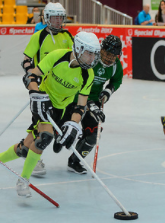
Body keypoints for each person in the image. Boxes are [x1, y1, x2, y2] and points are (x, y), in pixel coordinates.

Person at [0, 31, 100, 197]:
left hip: (62, 110)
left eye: (94, 54)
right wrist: (35, 94)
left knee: (26, 148)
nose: (92, 59)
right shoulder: (57, 56)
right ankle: (23, 181)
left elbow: (80, 106)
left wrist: (73, 123)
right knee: (45, 137)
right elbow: (32, 75)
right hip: (42, 102)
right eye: (89, 53)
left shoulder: (87, 74)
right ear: (79, 49)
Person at [53, 35, 123, 174]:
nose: (110, 58)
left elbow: (116, 80)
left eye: (114, 55)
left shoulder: (115, 66)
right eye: (108, 54)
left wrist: (108, 91)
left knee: (94, 133)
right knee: (62, 132)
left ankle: (75, 160)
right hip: (74, 99)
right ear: (101, 50)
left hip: (95, 101)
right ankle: (58, 134)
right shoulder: (89, 60)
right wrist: (90, 104)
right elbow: (78, 84)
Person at [21, 2, 74, 176]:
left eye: (61, 18)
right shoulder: (39, 36)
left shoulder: (67, 35)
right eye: (54, 18)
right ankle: (33, 157)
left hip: (62, 90)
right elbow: (26, 60)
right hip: (42, 90)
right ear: (47, 18)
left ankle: (27, 150)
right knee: (40, 125)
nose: (58, 21)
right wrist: (32, 77)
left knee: (56, 123)